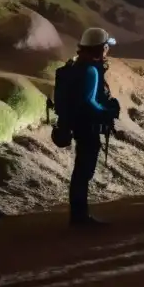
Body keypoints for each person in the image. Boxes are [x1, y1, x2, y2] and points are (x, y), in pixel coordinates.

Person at [56, 27, 121, 227]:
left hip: (78, 124)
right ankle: (80, 217)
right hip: (88, 126)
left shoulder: (76, 66)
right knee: (84, 172)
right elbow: (89, 101)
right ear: (100, 48)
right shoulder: (91, 70)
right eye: (106, 47)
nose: (107, 50)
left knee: (81, 171)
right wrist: (107, 111)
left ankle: (78, 215)